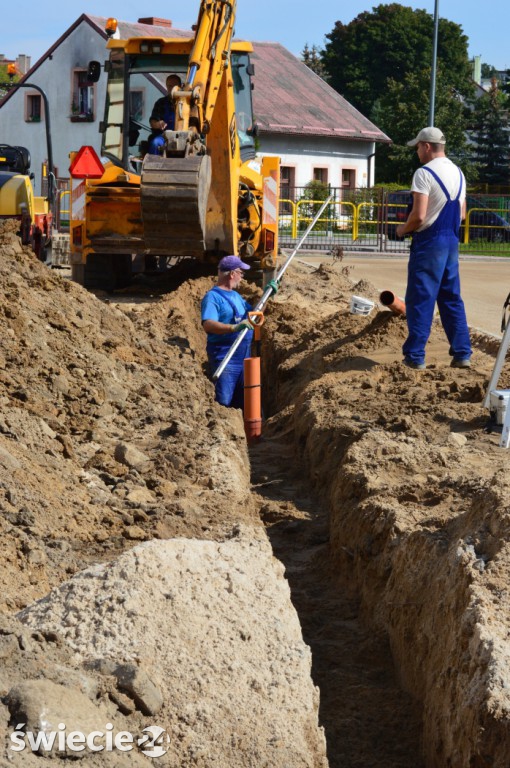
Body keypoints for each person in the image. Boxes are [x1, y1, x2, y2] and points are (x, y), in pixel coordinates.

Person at [396, 126, 472, 371]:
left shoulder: (424, 174)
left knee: (420, 299)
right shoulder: (459, 173)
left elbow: (418, 217)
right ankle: (462, 354)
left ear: (427, 146)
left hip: (429, 243)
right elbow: (460, 214)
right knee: (451, 298)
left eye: (418, 147)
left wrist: (401, 230)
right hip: (451, 242)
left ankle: (415, 356)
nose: (417, 152)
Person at [201, 255, 256, 409]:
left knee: (246, 403)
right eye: (241, 273)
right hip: (226, 357)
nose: (242, 278)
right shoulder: (212, 297)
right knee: (224, 402)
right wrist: (233, 328)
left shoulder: (237, 296)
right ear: (232, 274)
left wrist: (268, 295)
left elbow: (254, 315)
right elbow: (208, 324)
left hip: (244, 358)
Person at [148, 74, 182, 155]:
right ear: (166, 87)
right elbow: (153, 121)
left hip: (183, 137)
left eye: (175, 86)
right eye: (170, 86)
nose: (172, 88)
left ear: (180, 86)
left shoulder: (187, 104)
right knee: (155, 143)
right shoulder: (161, 103)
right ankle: (154, 166)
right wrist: (158, 124)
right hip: (164, 137)